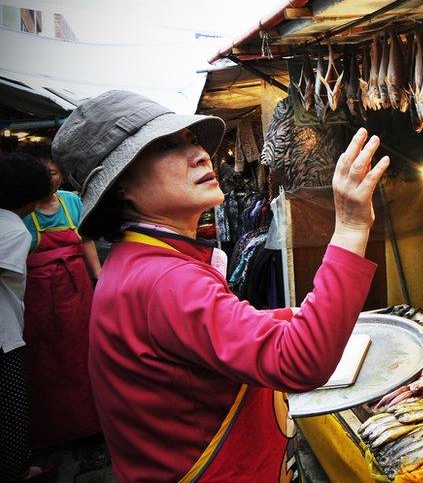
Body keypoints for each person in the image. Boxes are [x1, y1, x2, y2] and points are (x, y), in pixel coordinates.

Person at [52, 90, 390, 480]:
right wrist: (350, 226)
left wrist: (286, 316)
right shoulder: (165, 280)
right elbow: (302, 360)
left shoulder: (143, 261)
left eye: (191, 140)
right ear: (120, 187)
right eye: (165, 146)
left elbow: (211, 332)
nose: (199, 154)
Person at [17, 140, 102, 449]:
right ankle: (54, 431)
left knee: (84, 354)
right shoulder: (21, 210)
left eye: (53, 171)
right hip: (37, 295)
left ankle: (91, 422)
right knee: (46, 361)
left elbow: (87, 241)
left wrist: (98, 278)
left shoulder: (72, 201)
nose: (49, 178)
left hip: (78, 290)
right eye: (42, 172)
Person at [0, 153, 53, 481]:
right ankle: (16, 471)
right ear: (33, 200)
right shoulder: (14, 231)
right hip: (4, 337)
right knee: (11, 412)